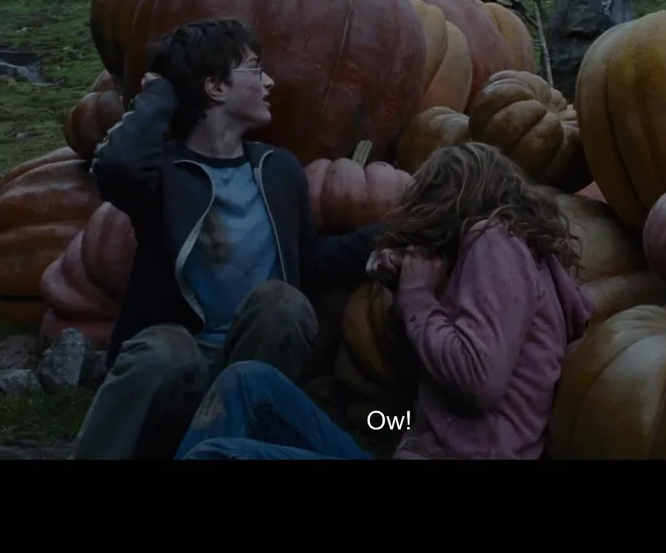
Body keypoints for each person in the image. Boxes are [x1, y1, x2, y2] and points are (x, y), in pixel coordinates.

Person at [72, 18, 382, 459]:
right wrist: (160, 94)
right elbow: (118, 166)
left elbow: (308, 261)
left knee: (283, 303)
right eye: (255, 69)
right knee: (166, 349)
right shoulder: (166, 174)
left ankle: (232, 443)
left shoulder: (278, 169)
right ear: (215, 87)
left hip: (249, 365)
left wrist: (385, 238)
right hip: (179, 371)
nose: (269, 81)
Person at [174, 141, 595, 460]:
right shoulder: (508, 260)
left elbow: (479, 379)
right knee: (247, 382)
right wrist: (402, 294)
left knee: (216, 455)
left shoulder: (493, 238)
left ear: (448, 202)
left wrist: (417, 295)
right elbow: (428, 395)